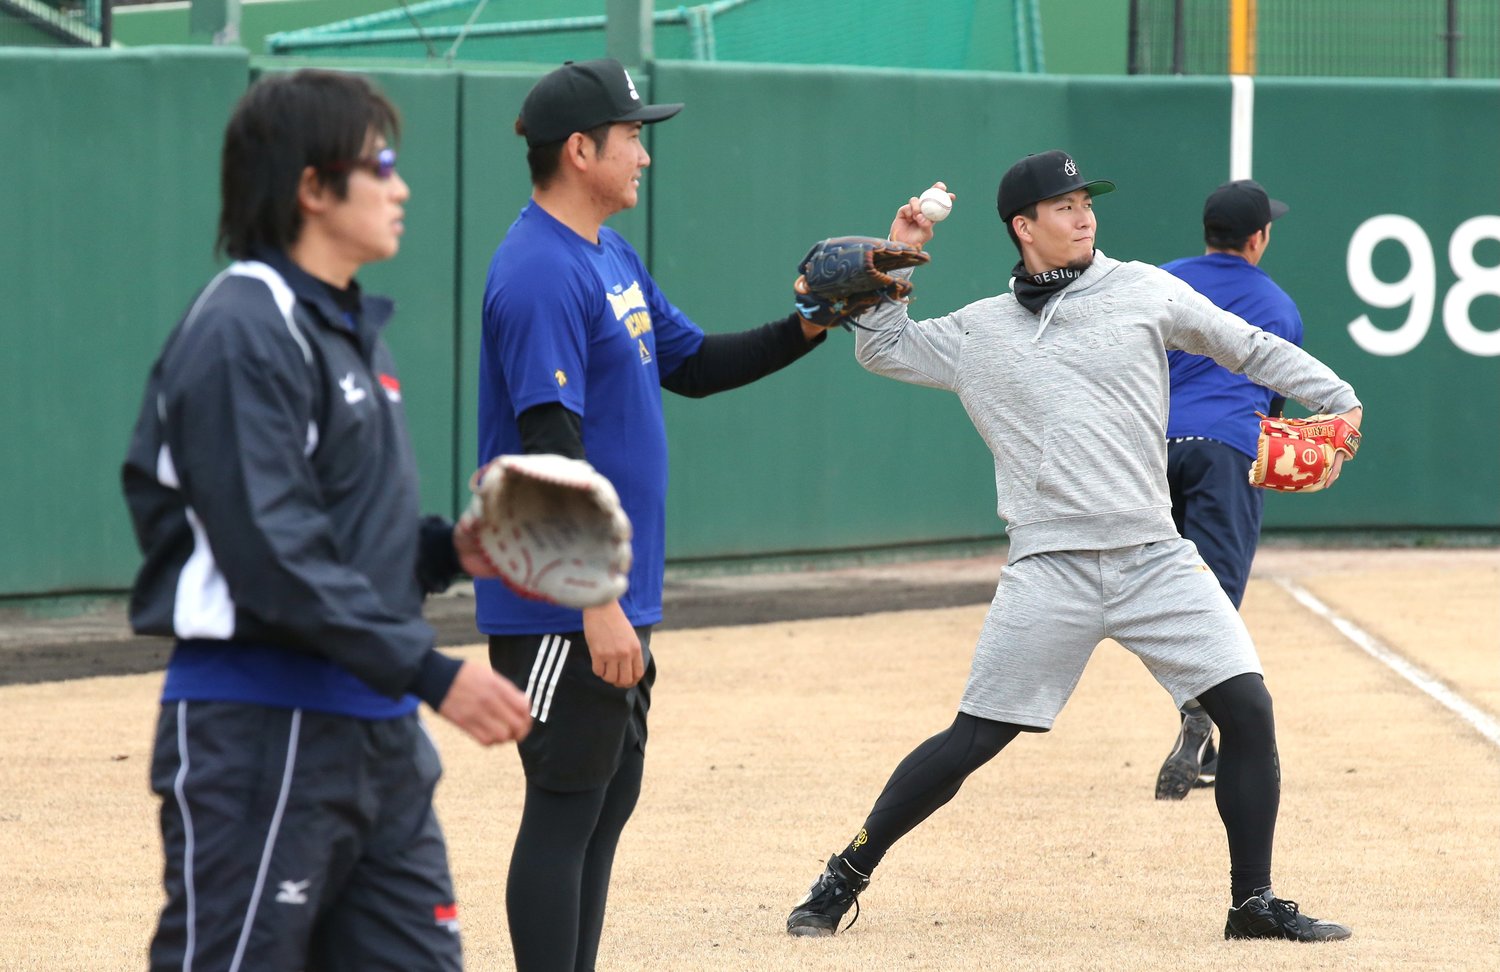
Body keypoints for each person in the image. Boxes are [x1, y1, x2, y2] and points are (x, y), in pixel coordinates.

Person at [785, 150, 1360, 943]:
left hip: (1152, 553)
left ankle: (1251, 903)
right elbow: (884, 348)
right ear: (1024, 226)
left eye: (1086, 200)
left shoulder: (1143, 290)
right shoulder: (980, 331)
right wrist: (900, 260)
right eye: (1063, 205)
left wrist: (1339, 399)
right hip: (1049, 565)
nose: (1083, 214)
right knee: (976, 738)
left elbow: (1246, 346)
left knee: (1248, 708)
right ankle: (843, 873)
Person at [121, 69, 534, 972]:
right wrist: (434, 675)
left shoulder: (347, 329)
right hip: (261, 734)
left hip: (375, 738)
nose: (402, 186)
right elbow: (272, 555)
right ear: (312, 187)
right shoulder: (241, 327)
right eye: (379, 163)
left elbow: (334, 534)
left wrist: (449, 549)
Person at [477, 58, 837, 972]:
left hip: (611, 595)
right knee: (565, 808)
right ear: (580, 148)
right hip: (562, 602)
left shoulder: (607, 254)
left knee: (604, 804)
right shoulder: (535, 272)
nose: (645, 155)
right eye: (635, 137)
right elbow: (547, 446)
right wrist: (593, 599)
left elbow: (698, 366)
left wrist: (817, 319)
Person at [1152, 179, 1304, 800]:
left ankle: (1202, 732)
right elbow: (1271, 402)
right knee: (1213, 605)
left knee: (1154, 599)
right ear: (1258, 238)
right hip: (1227, 451)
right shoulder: (1277, 305)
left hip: (1152, 448)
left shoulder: (1161, 280)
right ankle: (1198, 718)